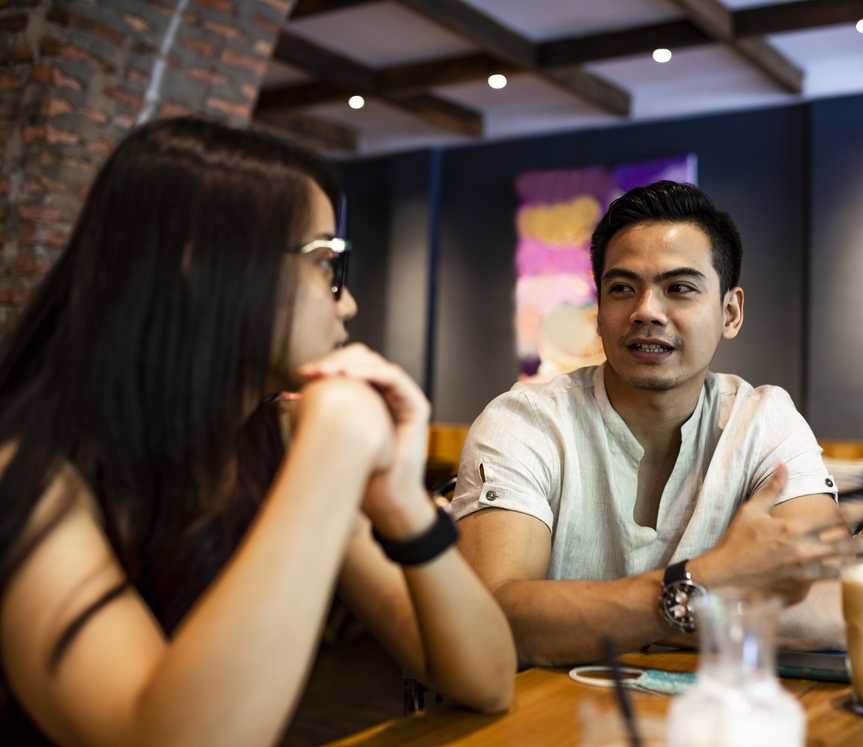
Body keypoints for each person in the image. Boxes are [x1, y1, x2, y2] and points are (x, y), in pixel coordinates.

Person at [0, 117, 515, 747]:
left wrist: (403, 503)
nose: (347, 303)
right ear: (201, 265)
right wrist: (337, 444)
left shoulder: (271, 440)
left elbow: (487, 678)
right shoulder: (27, 474)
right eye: (325, 261)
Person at [451, 181, 863, 665]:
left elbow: (827, 611)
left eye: (679, 288)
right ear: (599, 313)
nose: (646, 311)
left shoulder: (764, 422)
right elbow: (492, 618)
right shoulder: (525, 423)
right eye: (622, 288)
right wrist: (711, 581)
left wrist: (599, 618)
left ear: (730, 312)